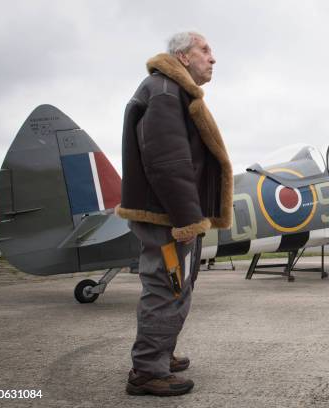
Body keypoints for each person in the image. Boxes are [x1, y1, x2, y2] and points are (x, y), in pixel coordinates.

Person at [116, 31, 233, 397]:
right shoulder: (165, 92)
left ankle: (160, 353)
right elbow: (167, 162)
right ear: (183, 57)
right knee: (165, 288)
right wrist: (186, 220)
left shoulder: (169, 91)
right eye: (204, 50)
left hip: (174, 216)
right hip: (169, 218)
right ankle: (147, 371)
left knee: (177, 287)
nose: (212, 58)